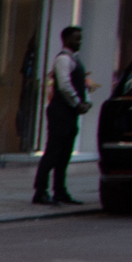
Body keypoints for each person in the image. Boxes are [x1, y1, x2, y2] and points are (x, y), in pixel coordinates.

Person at [35, 24, 90, 206]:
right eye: (76, 38)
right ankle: (40, 191)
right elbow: (65, 86)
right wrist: (78, 103)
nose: (79, 41)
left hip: (69, 112)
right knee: (53, 152)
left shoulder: (74, 59)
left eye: (80, 38)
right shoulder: (63, 60)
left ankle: (60, 190)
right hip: (61, 112)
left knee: (65, 153)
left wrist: (85, 100)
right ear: (66, 40)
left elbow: (78, 84)